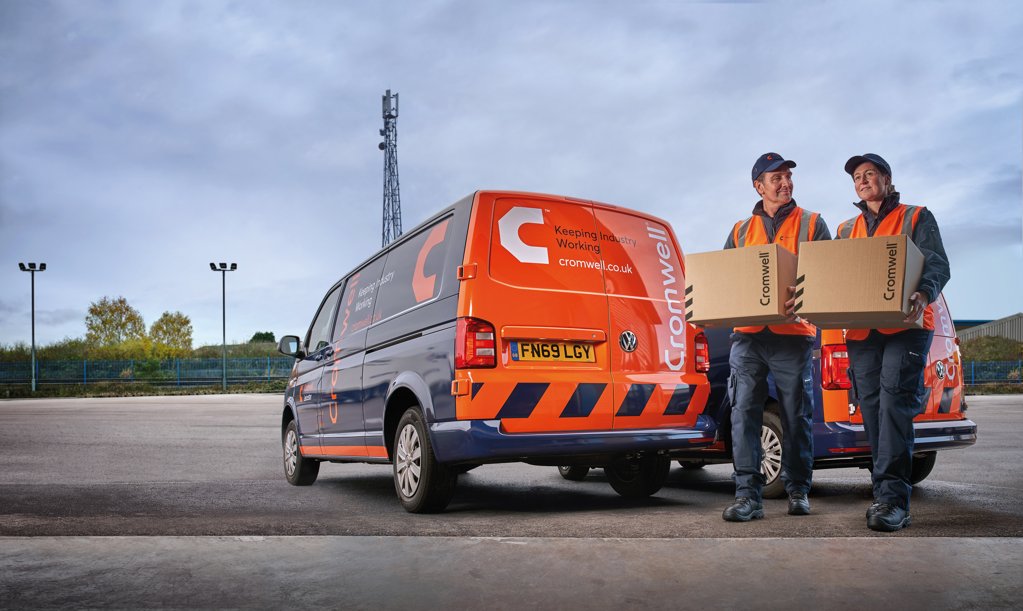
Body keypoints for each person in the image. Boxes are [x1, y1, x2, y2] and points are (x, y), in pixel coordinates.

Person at [837, 153, 950, 532]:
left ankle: (893, 501)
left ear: (887, 179)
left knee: (893, 405)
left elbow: (937, 263)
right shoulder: (846, 229)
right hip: (861, 332)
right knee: (871, 409)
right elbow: (836, 273)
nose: (862, 180)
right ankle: (883, 491)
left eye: (869, 174)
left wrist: (924, 292)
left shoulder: (916, 217)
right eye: (857, 177)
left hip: (906, 326)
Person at [721, 153, 831, 522]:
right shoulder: (740, 231)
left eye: (788, 176)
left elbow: (831, 274)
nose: (785, 183)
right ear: (759, 186)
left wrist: (805, 295)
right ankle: (747, 496)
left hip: (792, 335)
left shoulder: (812, 223)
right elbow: (727, 277)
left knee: (796, 415)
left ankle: (798, 489)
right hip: (748, 337)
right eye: (776, 178)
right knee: (743, 414)